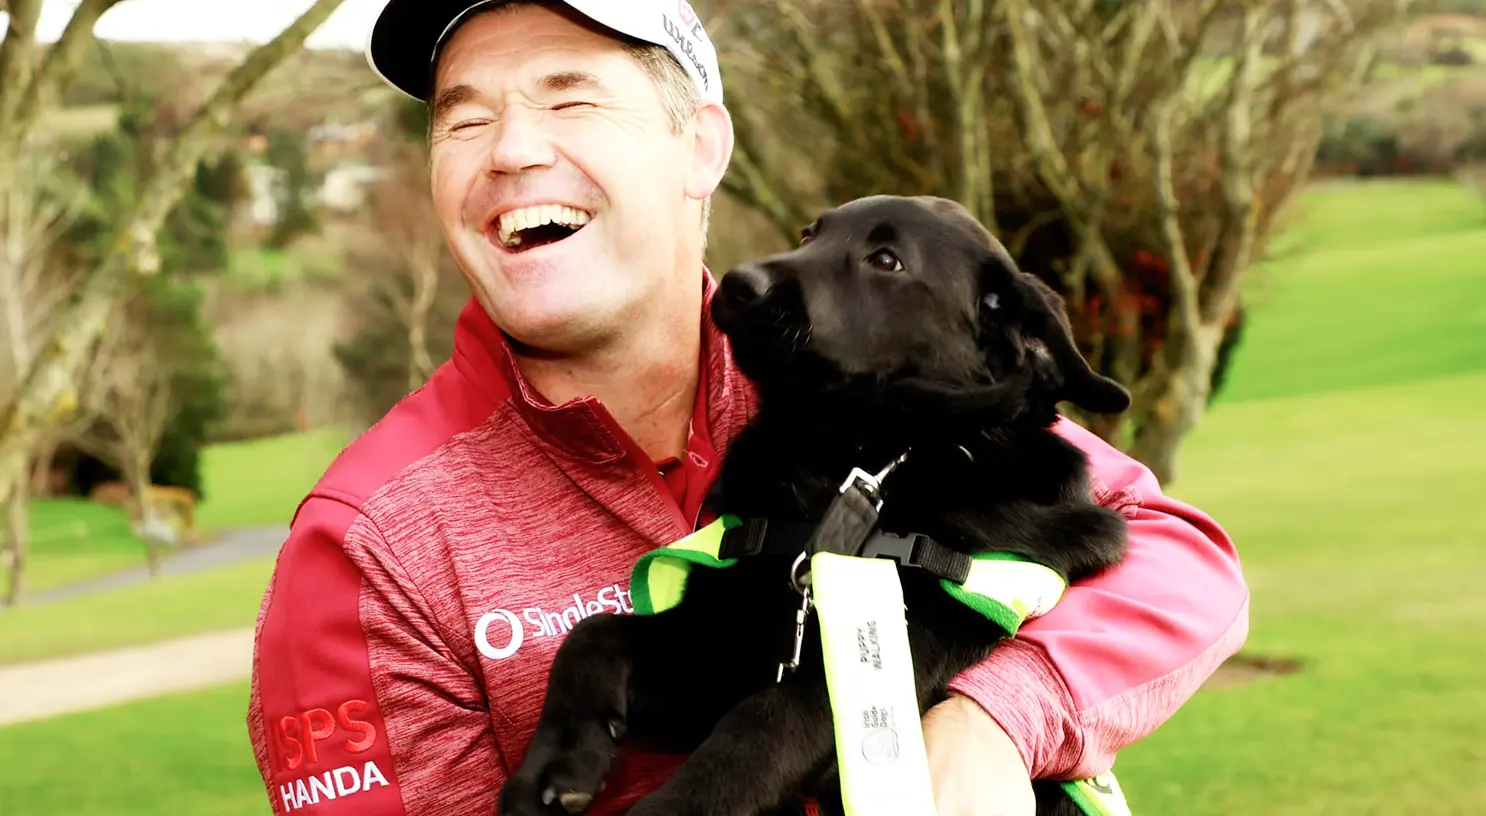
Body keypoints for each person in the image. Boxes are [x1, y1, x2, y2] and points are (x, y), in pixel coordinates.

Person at [245, 1, 1250, 814]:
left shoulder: (874, 388)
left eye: (570, 100)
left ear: (699, 147)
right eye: (464, 117)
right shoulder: (366, 544)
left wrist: (995, 717)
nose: (509, 150)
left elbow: (1176, 559)